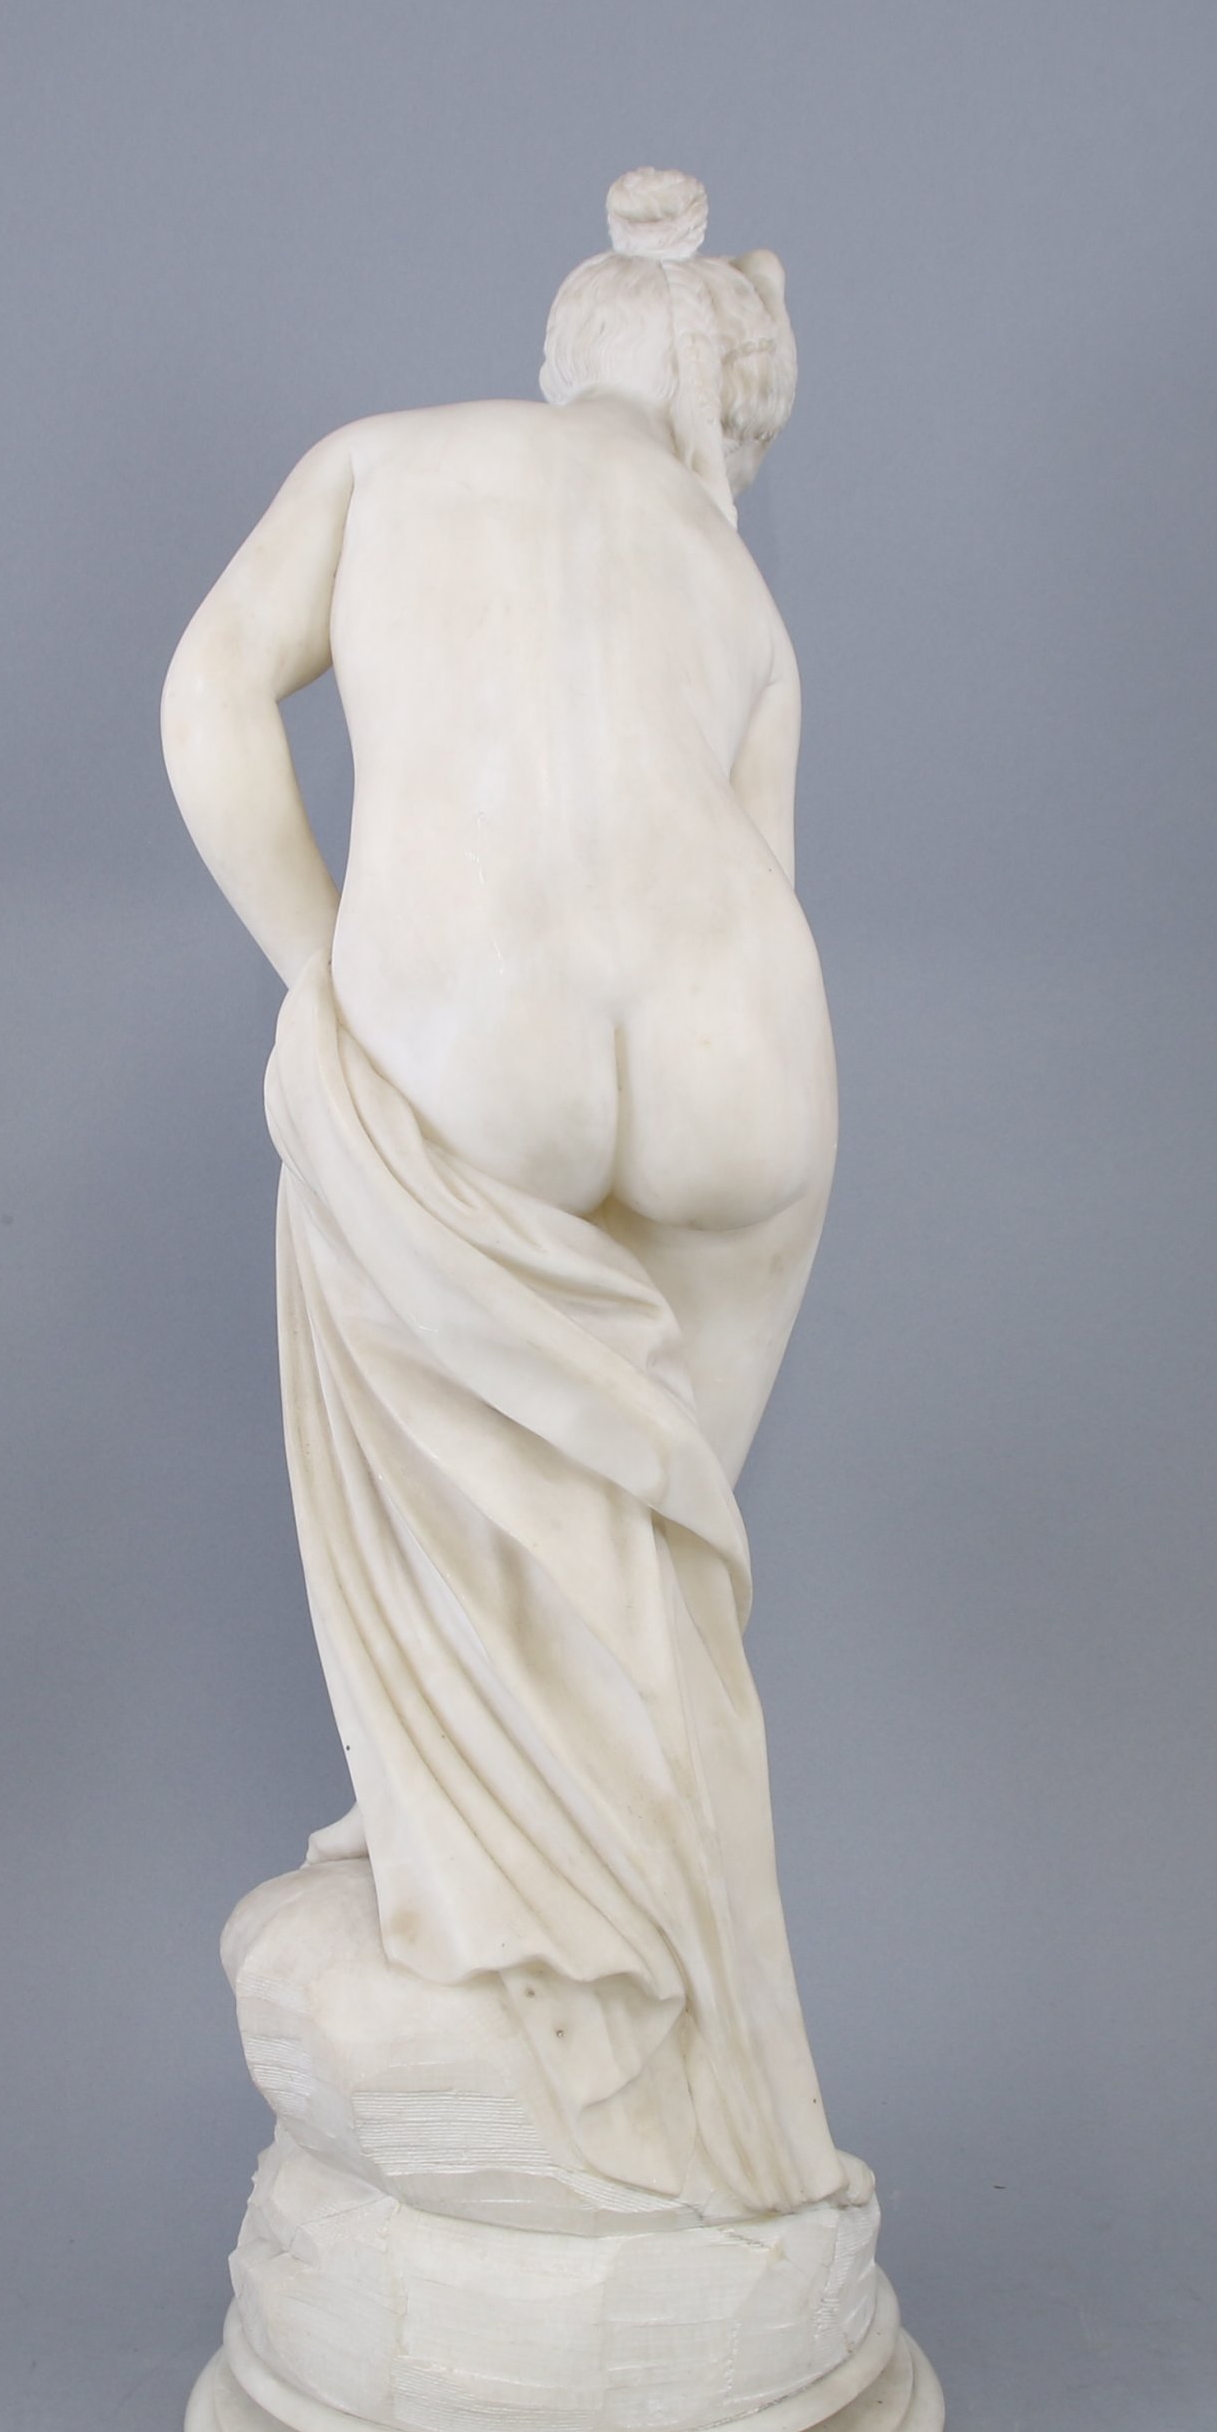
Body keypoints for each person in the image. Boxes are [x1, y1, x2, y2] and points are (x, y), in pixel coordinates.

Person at [162, 171, 848, 2223]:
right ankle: (646, 1911)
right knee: (663, 1529)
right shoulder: (741, 596)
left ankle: (473, 1832)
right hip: (747, 1049)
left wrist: (324, 980)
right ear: (720, 414)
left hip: (482, 1033)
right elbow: (765, 865)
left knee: (474, 1445)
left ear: (566, 354)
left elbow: (208, 696)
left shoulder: (382, 462)